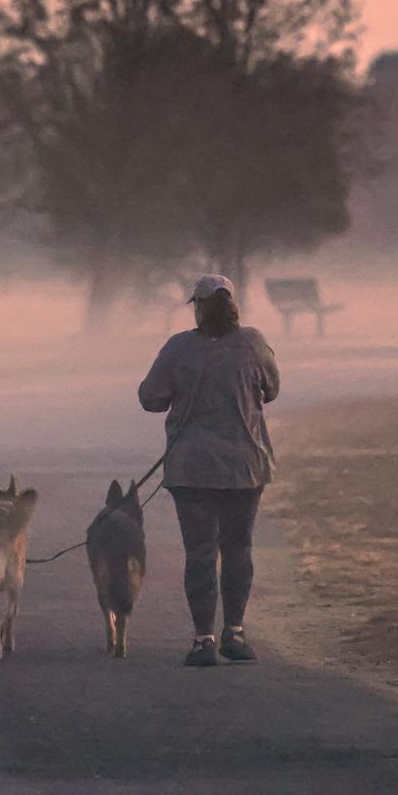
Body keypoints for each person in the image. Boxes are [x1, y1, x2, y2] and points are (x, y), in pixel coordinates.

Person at [138, 273, 281, 667]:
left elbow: (150, 398)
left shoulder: (178, 348)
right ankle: (235, 633)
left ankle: (203, 639)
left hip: (192, 468)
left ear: (198, 307)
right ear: (233, 304)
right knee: (238, 548)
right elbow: (271, 390)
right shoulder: (253, 342)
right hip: (244, 466)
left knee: (200, 552)